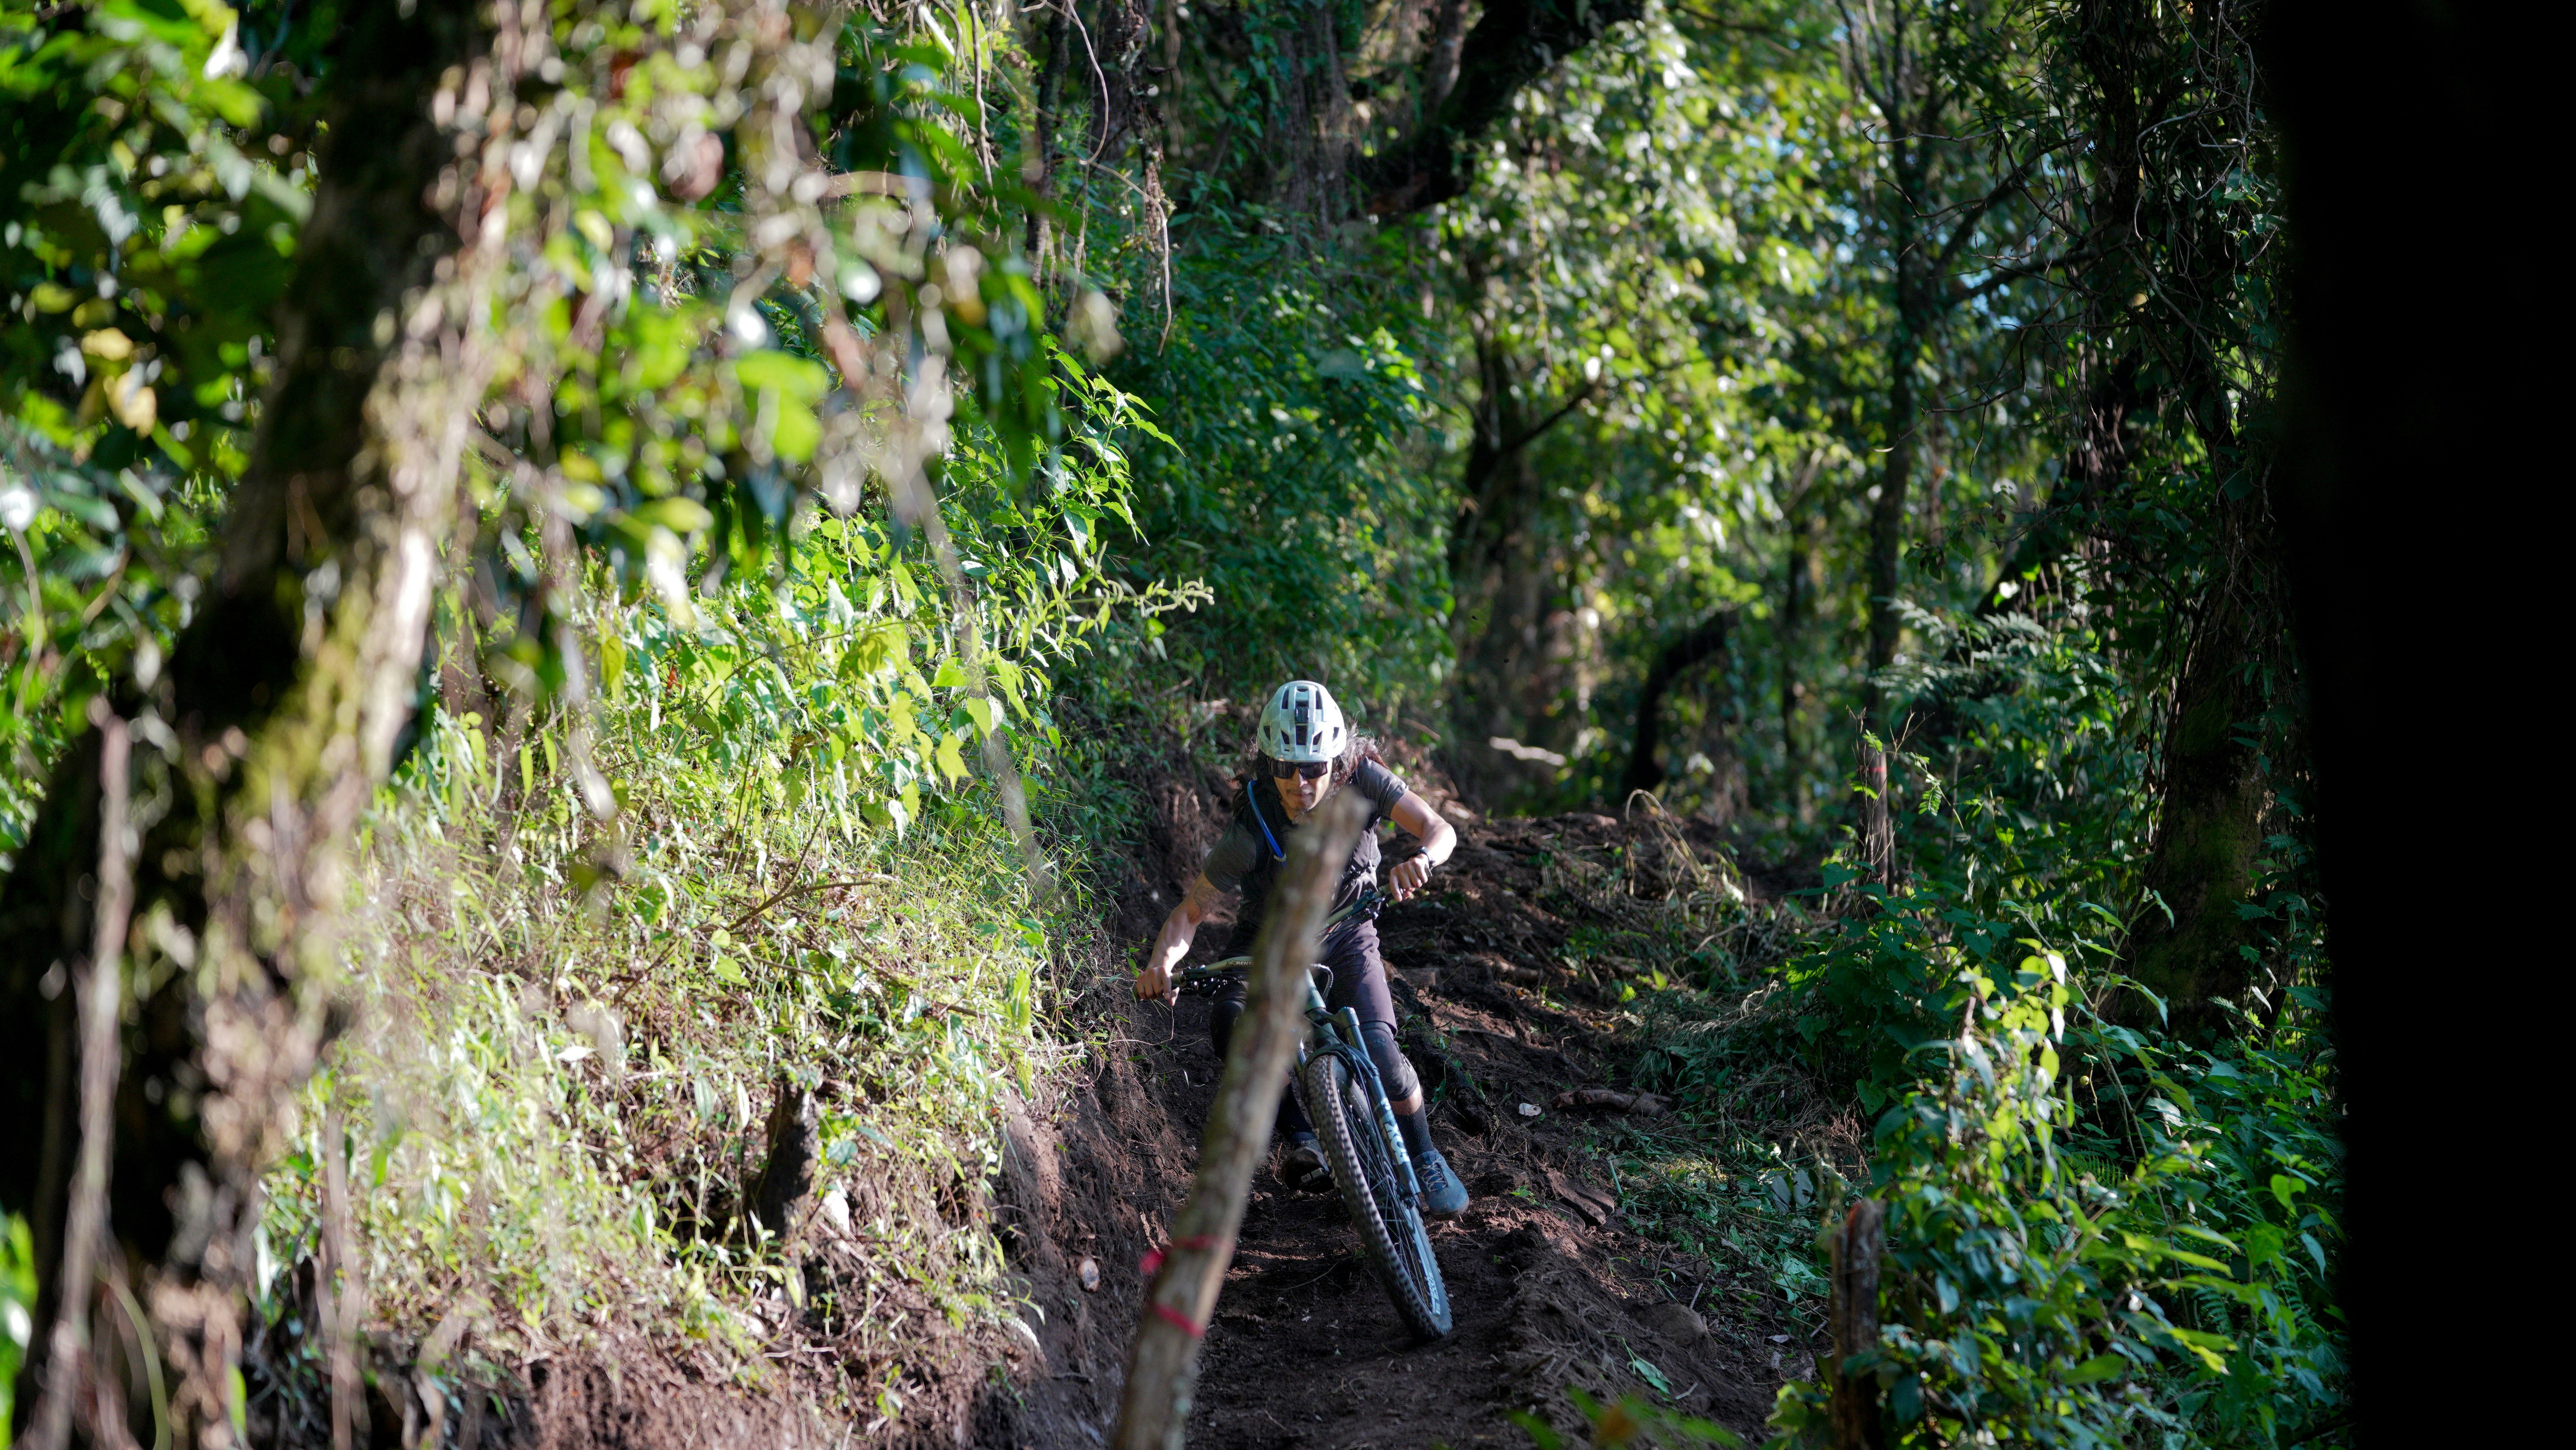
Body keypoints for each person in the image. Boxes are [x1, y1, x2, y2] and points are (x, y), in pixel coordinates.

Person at [1134, 680, 1470, 1218]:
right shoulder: (1255, 819)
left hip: (1346, 934)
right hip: (1267, 944)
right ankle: (1302, 1140)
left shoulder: (1365, 780)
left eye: (1313, 767)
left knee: (1384, 1058)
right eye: (1284, 767)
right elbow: (1191, 912)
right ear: (1269, 762)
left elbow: (1438, 828)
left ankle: (1425, 1154)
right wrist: (1162, 963)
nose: (1299, 782)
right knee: (1231, 1020)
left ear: (1336, 762)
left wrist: (1424, 860)